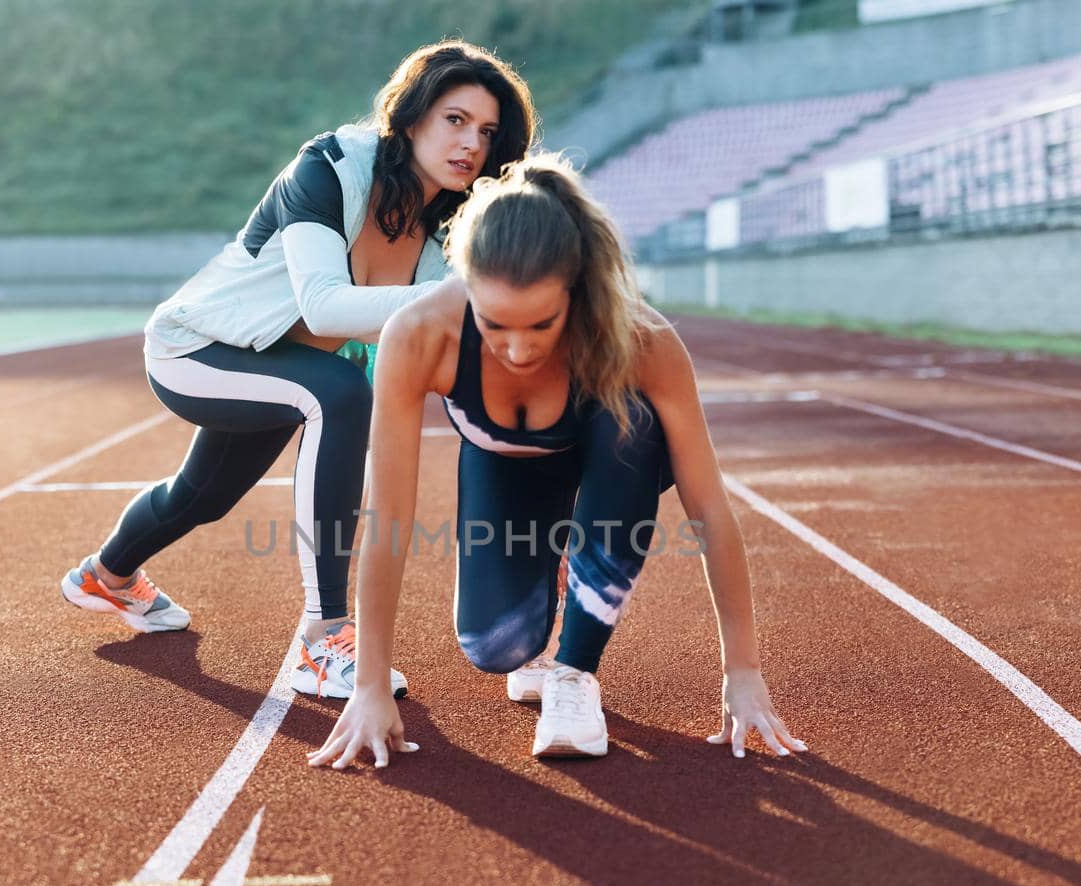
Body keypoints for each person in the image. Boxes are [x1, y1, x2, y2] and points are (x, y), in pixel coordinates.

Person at [59, 41, 537, 700]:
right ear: (413, 116)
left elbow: (425, 334)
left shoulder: (449, 224)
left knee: (202, 495)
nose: (471, 144)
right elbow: (324, 304)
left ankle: (105, 575)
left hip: (289, 363)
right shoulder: (330, 167)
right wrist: (467, 301)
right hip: (196, 348)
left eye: (486, 132)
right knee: (337, 395)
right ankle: (322, 638)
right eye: (455, 120)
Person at [308, 153, 808, 767]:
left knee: (635, 424)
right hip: (504, 470)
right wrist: (370, 684)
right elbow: (388, 516)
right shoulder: (418, 334)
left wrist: (744, 670)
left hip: (610, 468)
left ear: (576, 292)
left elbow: (709, 506)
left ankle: (575, 675)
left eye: (541, 325)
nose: (518, 349)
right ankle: (552, 584)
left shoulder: (643, 341)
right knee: (497, 648)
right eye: (495, 325)